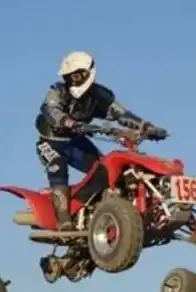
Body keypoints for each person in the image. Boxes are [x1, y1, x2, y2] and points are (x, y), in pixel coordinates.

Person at [35, 51, 167, 230]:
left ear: (88, 72)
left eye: (77, 75)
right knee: (58, 169)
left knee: (104, 170)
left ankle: (95, 210)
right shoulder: (58, 90)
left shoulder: (99, 94)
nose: (73, 80)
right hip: (51, 142)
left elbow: (121, 114)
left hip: (76, 141)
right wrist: (70, 123)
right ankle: (63, 220)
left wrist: (146, 127)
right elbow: (51, 110)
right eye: (69, 76)